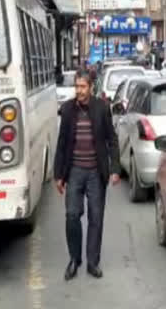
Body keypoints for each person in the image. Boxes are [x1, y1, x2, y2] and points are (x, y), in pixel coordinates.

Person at [53, 69, 121, 282]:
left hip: (95, 173)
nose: (79, 91)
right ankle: (75, 259)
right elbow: (62, 144)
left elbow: (112, 139)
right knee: (72, 215)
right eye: (77, 87)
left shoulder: (102, 108)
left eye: (83, 87)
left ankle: (92, 262)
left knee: (96, 218)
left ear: (91, 87)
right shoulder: (67, 110)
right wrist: (58, 176)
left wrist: (115, 169)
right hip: (74, 171)